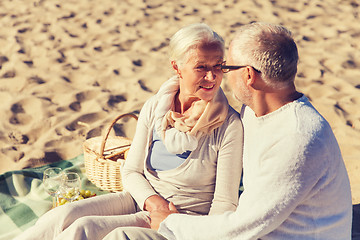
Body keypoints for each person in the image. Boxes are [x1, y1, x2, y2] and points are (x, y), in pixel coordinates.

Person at [107, 22, 353, 239]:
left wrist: (170, 222)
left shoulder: (297, 138)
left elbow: (240, 228)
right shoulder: (254, 112)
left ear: (248, 75)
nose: (218, 76)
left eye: (225, 67)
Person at [14, 23, 243, 240]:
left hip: (184, 218)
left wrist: (178, 224)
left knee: (86, 228)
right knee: (62, 216)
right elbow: (131, 171)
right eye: (202, 67)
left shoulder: (228, 125)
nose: (212, 77)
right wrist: (153, 202)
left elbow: (225, 204)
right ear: (177, 67)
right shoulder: (156, 106)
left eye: (218, 66)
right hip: (142, 200)